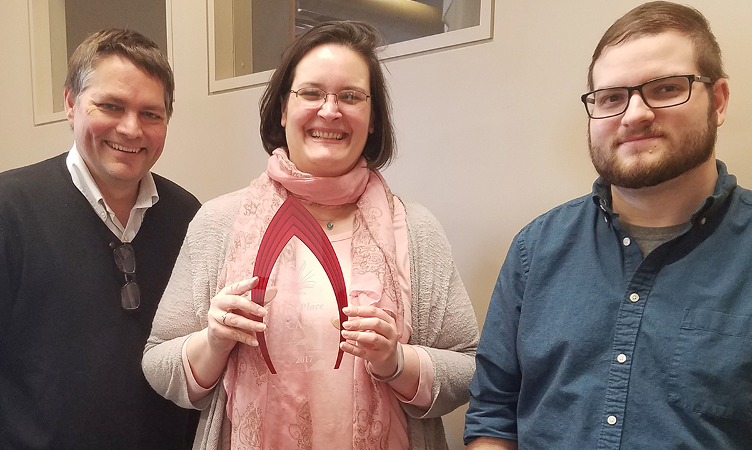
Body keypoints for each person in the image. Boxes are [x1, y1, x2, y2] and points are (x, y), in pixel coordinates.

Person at [142, 21, 479, 450]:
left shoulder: (414, 229)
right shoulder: (219, 222)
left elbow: (468, 366)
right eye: (312, 93)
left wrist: (396, 362)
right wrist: (215, 341)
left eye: (351, 96)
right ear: (283, 109)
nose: (330, 110)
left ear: (373, 119)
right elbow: (158, 362)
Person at [464, 1, 751, 449]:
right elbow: (493, 415)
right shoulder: (535, 250)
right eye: (612, 97)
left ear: (718, 101)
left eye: (665, 88)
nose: (634, 114)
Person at [0, 29, 201, 449]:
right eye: (110, 105)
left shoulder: (190, 218)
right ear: (71, 103)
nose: (130, 128)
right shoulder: (0, 212)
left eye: (150, 114)